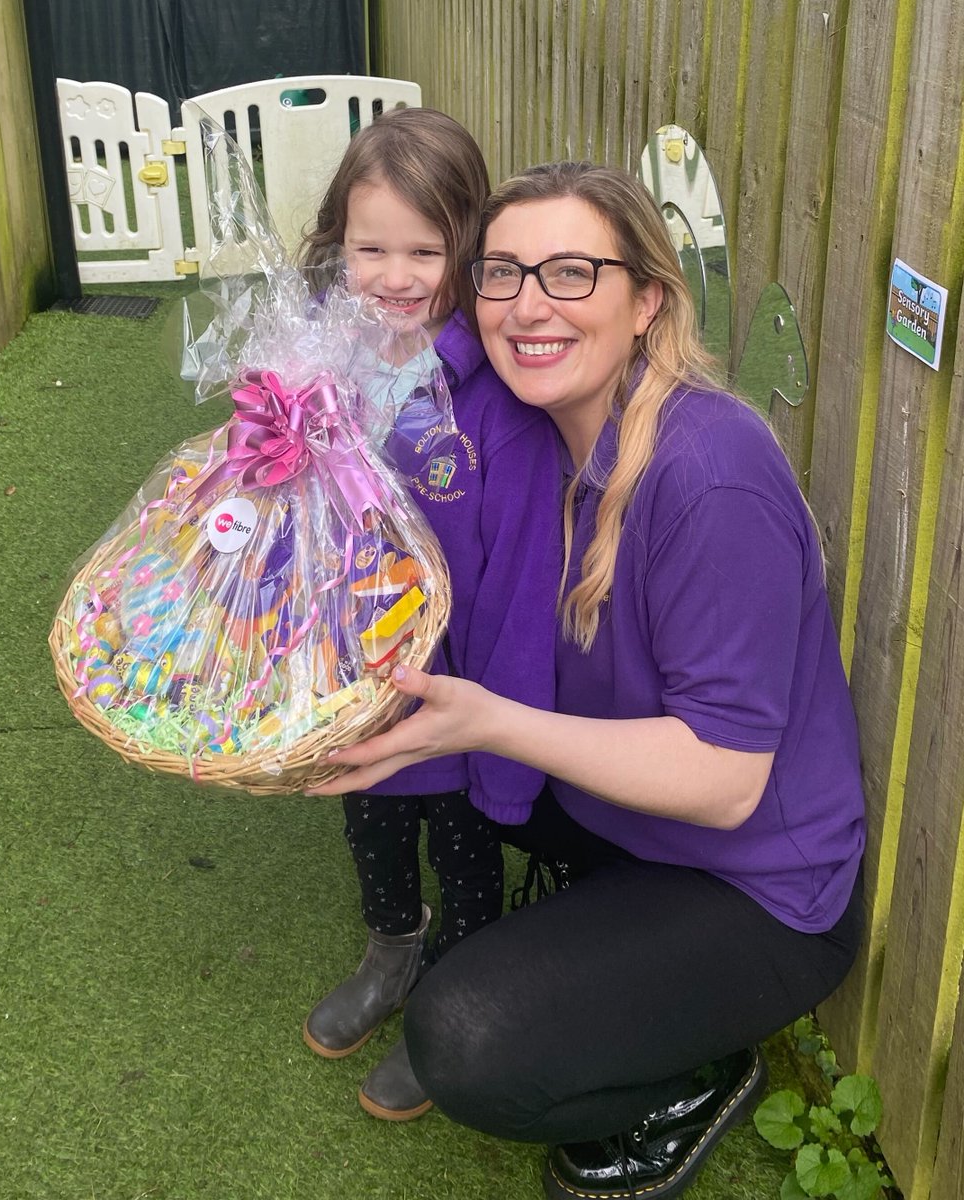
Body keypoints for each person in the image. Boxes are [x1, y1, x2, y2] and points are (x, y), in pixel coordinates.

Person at [308, 161, 866, 1199]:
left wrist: (490, 724)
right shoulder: (522, 440)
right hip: (620, 815)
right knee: (468, 793)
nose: (528, 305)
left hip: (755, 883)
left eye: (571, 273)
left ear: (646, 297)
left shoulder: (710, 474)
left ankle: (688, 1080)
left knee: (465, 1040)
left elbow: (725, 778)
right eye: (504, 273)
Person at [295, 110, 562, 1122]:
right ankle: (391, 950)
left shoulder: (499, 402)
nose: (396, 275)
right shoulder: (322, 366)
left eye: (426, 248)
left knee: (464, 849)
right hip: (354, 677)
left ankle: (448, 991)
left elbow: (525, 572)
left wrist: (498, 733)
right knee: (369, 821)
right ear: (339, 245)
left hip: (457, 693)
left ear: (471, 249)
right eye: (371, 247)